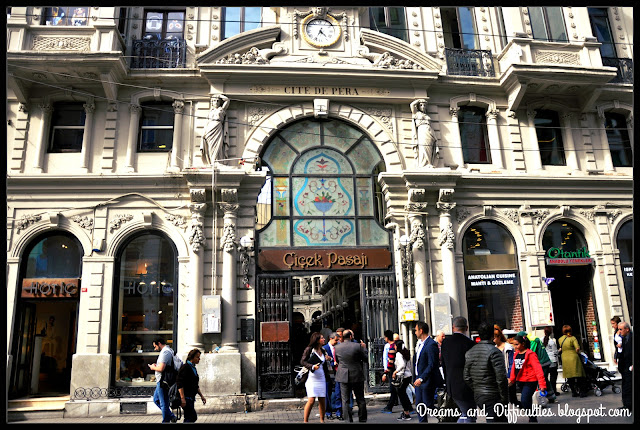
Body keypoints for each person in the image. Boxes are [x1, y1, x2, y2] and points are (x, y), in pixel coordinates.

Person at [464, 322, 508, 422]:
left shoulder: (470, 352)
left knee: (499, 419)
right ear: (492, 335)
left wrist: (477, 388)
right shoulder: (495, 352)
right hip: (493, 394)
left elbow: (466, 376)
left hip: (479, 394)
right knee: (494, 419)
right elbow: (501, 378)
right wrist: (504, 398)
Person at [441, 316, 476, 423]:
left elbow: (443, 364)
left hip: (451, 383)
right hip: (466, 385)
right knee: (469, 415)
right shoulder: (470, 344)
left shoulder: (446, 342)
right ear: (466, 328)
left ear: (453, 327)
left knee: (465, 413)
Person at [509, 335, 547, 422]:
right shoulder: (516, 354)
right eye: (514, 345)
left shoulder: (531, 354)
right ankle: (531, 415)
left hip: (530, 381)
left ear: (523, 344)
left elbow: (538, 369)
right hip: (520, 381)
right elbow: (513, 369)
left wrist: (542, 384)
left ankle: (532, 417)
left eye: (517, 344)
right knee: (525, 401)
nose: (515, 347)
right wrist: (512, 379)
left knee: (525, 400)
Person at [334, 329, 368, 422]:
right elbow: (365, 359)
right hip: (356, 373)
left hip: (343, 374)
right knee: (360, 398)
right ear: (350, 336)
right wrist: (364, 348)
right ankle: (362, 418)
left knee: (345, 399)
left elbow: (337, 360)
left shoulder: (337, 348)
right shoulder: (358, 346)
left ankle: (348, 419)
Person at [413, 321, 442, 423]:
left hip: (427, 381)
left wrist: (422, 378)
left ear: (421, 331)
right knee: (420, 406)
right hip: (419, 380)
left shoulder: (431, 344)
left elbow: (432, 364)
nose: (415, 332)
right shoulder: (419, 344)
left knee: (428, 405)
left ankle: (444, 417)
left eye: (416, 330)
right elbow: (417, 363)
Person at [301, 332, 331, 423]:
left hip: (321, 377)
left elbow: (325, 363)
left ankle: (322, 420)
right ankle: (305, 421)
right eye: (322, 338)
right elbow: (303, 361)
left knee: (322, 399)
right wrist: (312, 367)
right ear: (317, 340)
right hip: (311, 378)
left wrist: (328, 359)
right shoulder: (309, 349)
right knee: (311, 399)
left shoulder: (323, 350)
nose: (324, 339)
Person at [518, 330, 555, 403]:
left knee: (541, 381)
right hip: (545, 361)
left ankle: (542, 399)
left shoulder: (532, 340)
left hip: (542, 362)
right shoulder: (533, 338)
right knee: (545, 380)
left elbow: (531, 352)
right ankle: (551, 396)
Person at [148, 338, 177, 423]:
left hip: (163, 381)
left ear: (159, 343)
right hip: (160, 380)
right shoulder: (167, 351)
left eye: (155, 346)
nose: (155, 348)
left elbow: (161, 368)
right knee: (156, 399)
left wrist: (153, 367)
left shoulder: (165, 352)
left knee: (163, 403)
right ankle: (171, 416)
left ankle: (166, 421)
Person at [176, 348, 206, 422]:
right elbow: (180, 383)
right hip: (186, 397)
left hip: (191, 397)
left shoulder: (193, 368)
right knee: (191, 417)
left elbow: (195, 385)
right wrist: (182, 398)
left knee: (189, 417)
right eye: (197, 357)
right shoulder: (185, 367)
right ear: (192, 357)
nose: (199, 359)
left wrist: (201, 396)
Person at [558, 325, 587, 397]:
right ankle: (582, 391)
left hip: (565, 358)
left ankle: (573, 392)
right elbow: (577, 348)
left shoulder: (560, 339)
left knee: (569, 376)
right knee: (579, 375)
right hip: (573, 357)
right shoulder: (572, 338)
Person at [201, 94, 230, 166]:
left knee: (218, 144)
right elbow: (206, 123)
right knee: (211, 146)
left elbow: (227, 100)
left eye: (217, 101)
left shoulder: (221, 109)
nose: (216, 102)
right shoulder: (210, 112)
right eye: (214, 101)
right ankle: (212, 161)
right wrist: (204, 133)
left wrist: (219, 95)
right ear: (212, 102)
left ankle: (217, 160)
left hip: (218, 127)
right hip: (209, 129)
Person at [410, 98, 439, 168]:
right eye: (421, 105)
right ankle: (424, 164)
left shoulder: (426, 115)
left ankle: (429, 163)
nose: (423, 107)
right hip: (422, 131)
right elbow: (412, 105)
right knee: (423, 146)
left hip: (430, 131)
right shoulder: (416, 113)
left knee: (430, 147)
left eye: (424, 105)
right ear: (418, 107)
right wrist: (420, 100)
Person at [494, 324, 518, 406]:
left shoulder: (508, 347)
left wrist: (510, 377)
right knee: (502, 401)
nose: (493, 340)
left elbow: (511, 363)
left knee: (513, 399)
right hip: (498, 378)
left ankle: (531, 414)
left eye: (495, 337)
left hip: (508, 376)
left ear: (499, 337)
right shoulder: (493, 348)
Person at [392, 340, 413, 421]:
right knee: (403, 393)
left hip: (402, 377)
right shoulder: (405, 353)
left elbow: (402, 364)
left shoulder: (398, 354)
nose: (394, 347)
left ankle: (406, 413)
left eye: (395, 345)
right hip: (408, 376)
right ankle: (407, 410)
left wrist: (395, 371)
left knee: (401, 394)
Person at [323, 332, 342, 420]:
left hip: (338, 373)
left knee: (338, 393)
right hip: (328, 374)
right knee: (328, 394)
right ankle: (328, 412)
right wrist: (332, 362)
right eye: (336, 340)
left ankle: (339, 412)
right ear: (331, 339)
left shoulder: (339, 347)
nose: (337, 342)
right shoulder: (324, 348)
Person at [381, 330, 398, 414]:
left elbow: (390, 361)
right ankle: (408, 407)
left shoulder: (391, 347)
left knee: (394, 389)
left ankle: (389, 406)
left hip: (393, 371)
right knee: (397, 390)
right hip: (395, 370)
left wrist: (386, 372)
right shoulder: (395, 345)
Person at [617, 321, 633, 411]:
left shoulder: (632, 338)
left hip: (630, 365)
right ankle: (626, 404)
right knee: (625, 385)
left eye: (621, 329)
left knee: (630, 386)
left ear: (627, 329)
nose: (619, 332)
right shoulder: (624, 338)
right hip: (625, 366)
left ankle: (629, 405)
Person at [543, 326, 560, 396]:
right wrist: (559, 350)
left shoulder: (541, 340)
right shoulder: (552, 342)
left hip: (544, 360)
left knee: (545, 377)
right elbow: (555, 352)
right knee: (553, 377)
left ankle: (546, 390)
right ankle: (553, 390)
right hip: (552, 360)